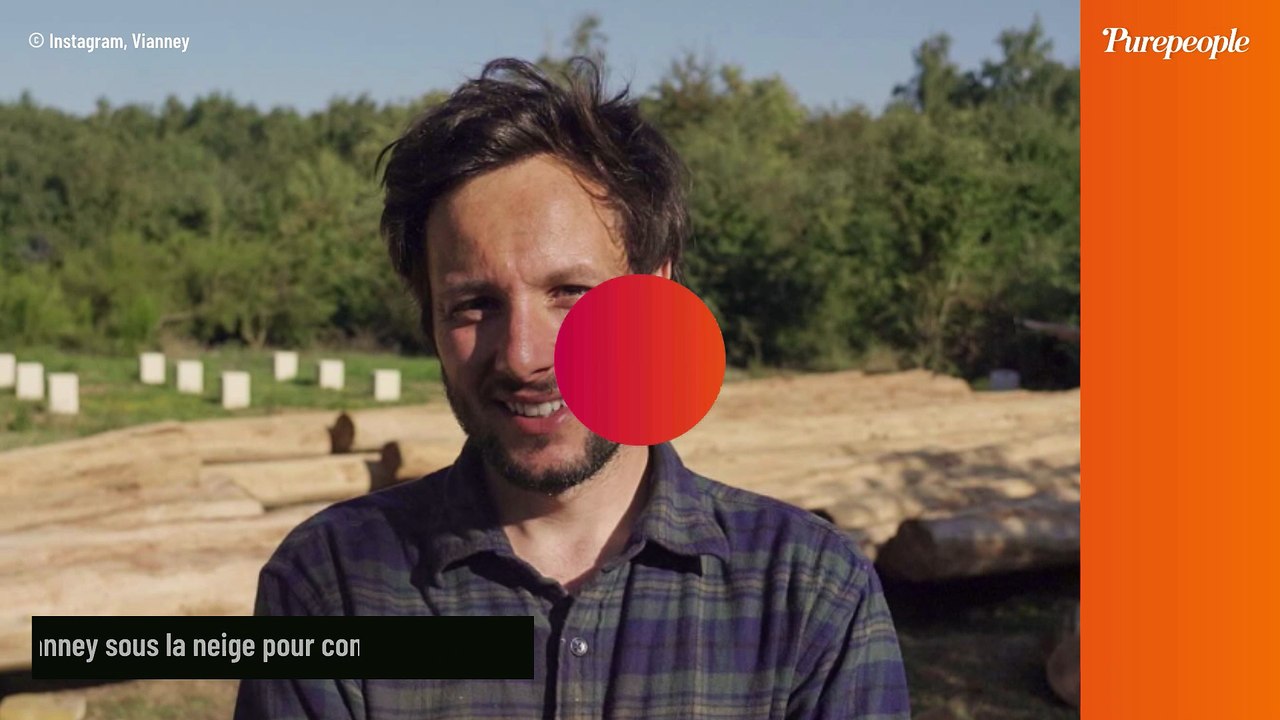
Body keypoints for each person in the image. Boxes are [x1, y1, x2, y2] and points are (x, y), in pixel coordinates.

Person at [234, 57, 910, 720]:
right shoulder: (332, 587)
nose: (524, 354)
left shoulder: (808, 595)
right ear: (430, 320)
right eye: (474, 304)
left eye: (570, 292)